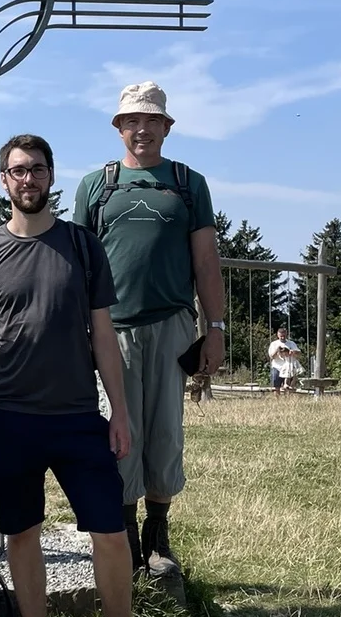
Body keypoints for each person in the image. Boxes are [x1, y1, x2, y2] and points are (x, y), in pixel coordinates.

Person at [0, 134, 135, 617]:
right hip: (11, 417)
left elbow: (103, 334)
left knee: (110, 532)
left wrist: (118, 412)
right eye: (18, 170)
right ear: (4, 181)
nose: (28, 179)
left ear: (51, 175)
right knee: (22, 533)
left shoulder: (82, 245)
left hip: (78, 415)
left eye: (37, 169)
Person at [72, 81, 226, 579]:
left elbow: (205, 260)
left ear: (166, 126)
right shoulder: (97, 186)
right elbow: (78, 266)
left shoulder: (187, 184)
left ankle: (158, 536)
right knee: (118, 435)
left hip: (171, 327)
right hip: (109, 331)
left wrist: (216, 327)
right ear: (119, 129)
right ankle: (125, 540)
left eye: (151, 120)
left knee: (164, 434)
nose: (142, 129)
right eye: (131, 121)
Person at [267, 328, 301, 395]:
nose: (282, 337)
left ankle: (287, 400)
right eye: (281, 336)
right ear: (278, 335)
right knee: (276, 386)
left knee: (288, 386)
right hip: (277, 367)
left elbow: (299, 353)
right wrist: (277, 350)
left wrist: (294, 352)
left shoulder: (291, 343)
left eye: (284, 336)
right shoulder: (274, 344)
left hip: (289, 367)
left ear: (286, 334)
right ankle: (277, 401)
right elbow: (271, 357)